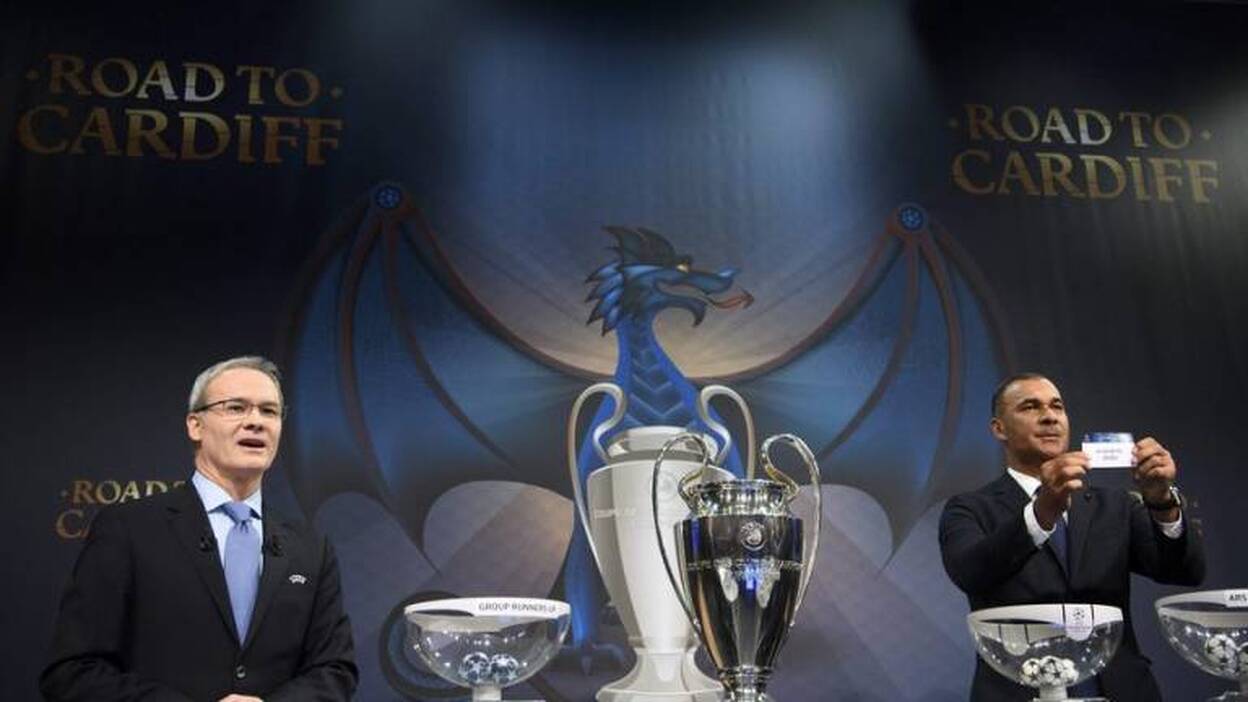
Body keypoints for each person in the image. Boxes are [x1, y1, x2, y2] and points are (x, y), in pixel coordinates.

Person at [41, 356, 358, 701]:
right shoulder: (128, 529)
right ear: (195, 425)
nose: (255, 421)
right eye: (236, 407)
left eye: (269, 411)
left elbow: (334, 670)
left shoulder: (310, 548)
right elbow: (74, 672)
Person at [939, 372, 1204, 701]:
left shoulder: (1116, 505)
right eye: (1030, 407)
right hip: (1020, 692)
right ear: (999, 429)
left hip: (1121, 690)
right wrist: (1041, 513)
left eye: (1057, 406)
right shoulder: (969, 508)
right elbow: (970, 572)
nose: (1049, 416)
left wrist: (1162, 502)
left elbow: (1184, 571)